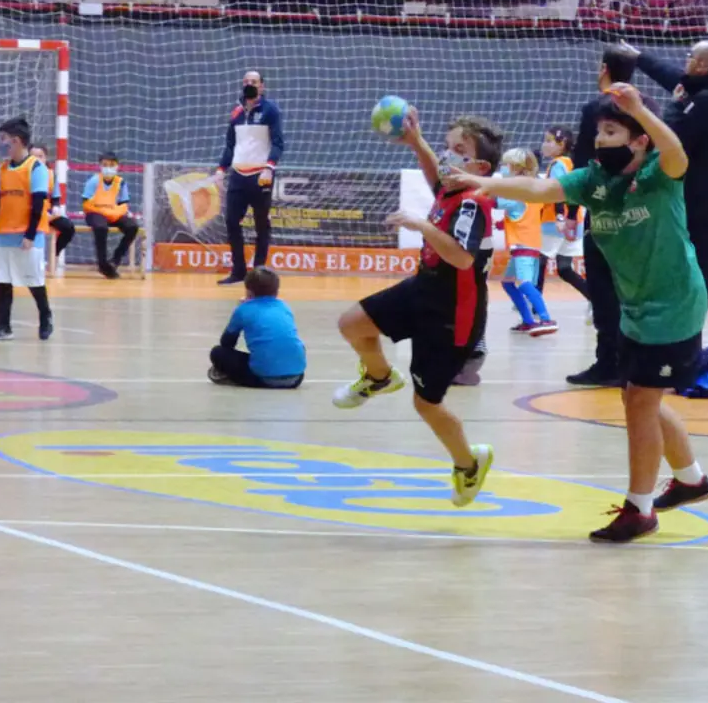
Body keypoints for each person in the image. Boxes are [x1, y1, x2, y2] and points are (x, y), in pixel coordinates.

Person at [448, 83, 708, 544]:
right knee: (638, 396)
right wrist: (485, 182)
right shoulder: (592, 180)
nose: (599, 140)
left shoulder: (658, 172)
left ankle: (640, 510)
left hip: (673, 304)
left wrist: (640, 111)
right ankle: (691, 479)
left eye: (611, 131)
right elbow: (538, 187)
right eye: (598, 132)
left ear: (638, 140)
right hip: (634, 304)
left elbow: (675, 149)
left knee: (640, 405)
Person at [332, 107, 497, 507]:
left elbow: (461, 258)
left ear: (479, 165)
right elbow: (434, 176)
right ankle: (379, 376)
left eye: (458, 149)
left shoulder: (475, 202)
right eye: (447, 146)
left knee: (427, 404)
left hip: (452, 314)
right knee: (352, 323)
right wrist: (417, 140)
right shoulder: (453, 187)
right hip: (424, 288)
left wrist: (421, 226)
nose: (447, 154)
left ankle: (469, 464)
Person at [625, 38, 708, 344]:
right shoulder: (705, 90)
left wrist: (673, 106)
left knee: (700, 274)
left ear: (703, 65)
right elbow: (673, 77)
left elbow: (673, 135)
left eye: (690, 56)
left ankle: (699, 346)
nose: (685, 61)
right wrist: (639, 57)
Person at [566, 44, 644, 387]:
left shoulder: (596, 109)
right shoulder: (647, 107)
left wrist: (571, 211)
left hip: (603, 208)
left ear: (603, 70)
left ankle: (607, 363)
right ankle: (635, 362)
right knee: (632, 288)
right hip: (641, 211)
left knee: (602, 288)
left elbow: (582, 162)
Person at [0, 116, 54, 341]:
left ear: (18, 140)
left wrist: (30, 234)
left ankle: (45, 316)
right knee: (3, 280)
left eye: (5, 140)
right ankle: (3, 326)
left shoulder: (36, 168)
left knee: (33, 279)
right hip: (4, 233)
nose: (2, 144)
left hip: (27, 234)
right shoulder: (2, 170)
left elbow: (39, 204)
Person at [213, 70, 284, 286]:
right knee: (232, 221)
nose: (249, 84)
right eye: (246, 81)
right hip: (238, 176)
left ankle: (259, 272)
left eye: (253, 81)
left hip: (260, 176)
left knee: (262, 224)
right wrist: (220, 169)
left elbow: (279, 142)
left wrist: (269, 167)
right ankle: (238, 271)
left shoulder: (270, 110)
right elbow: (230, 145)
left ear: (262, 86)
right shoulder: (236, 113)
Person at [208, 267, 306, 389]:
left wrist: (242, 309)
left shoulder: (243, 310)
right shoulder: (284, 307)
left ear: (249, 292)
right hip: (297, 378)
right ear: (276, 291)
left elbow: (227, 343)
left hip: (263, 379)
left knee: (217, 353)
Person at [496, 147, 557, 336]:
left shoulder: (516, 196)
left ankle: (546, 318)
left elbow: (493, 202)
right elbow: (523, 215)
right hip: (528, 245)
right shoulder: (533, 193)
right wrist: (504, 223)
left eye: (506, 165)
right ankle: (528, 320)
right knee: (507, 282)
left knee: (523, 283)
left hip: (523, 246)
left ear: (516, 168)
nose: (503, 169)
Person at [535, 126, 588, 305]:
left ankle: (535, 308)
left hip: (556, 221)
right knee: (565, 268)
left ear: (562, 144)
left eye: (549, 141)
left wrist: (559, 216)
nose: (544, 145)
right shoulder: (573, 162)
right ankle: (597, 299)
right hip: (576, 220)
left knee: (539, 262)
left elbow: (558, 191)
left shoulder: (558, 164)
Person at [81, 150, 140, 280]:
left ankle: (116, 259)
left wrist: (114, 213)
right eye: (105, 165)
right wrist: (105, 211)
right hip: (95, 213)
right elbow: (85, 204)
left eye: (111, 165)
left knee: (132, 227)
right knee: (101, 227)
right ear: (100, 166)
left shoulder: (121, 182)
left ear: (117, 166)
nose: (108, 168)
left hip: (113, 214)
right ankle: (102, 264)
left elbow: (124, 205)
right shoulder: (94, 181)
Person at [30, 143, 75, 262]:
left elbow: (55, 198)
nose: (37, 160)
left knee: (68, 227)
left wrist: (55, 208)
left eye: (40, 156)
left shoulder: (51, 175)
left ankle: (54, 255)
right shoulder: (23, 174)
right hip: (30, 213)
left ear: (45, 158)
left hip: (47, 214)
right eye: (33, 156)